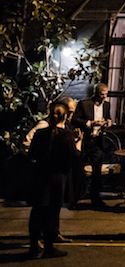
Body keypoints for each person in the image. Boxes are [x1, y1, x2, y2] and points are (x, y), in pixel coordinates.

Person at [27, 101, 78, 258]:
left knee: (37, 211)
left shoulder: (40, 134)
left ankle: (34, 245)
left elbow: (32, 155)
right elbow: (73, 158)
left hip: (41, 176)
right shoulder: (66, 136)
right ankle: (49, 246)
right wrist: (79, 142)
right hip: (58, 178)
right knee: (52, 211)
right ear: (65, 116)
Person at [72, 83, 112, 207]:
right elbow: (75, 120)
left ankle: (96, 198)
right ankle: (75, 198)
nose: (104, 97)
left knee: (97, 172)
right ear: (96, 93)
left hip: (98, 142)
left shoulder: (106, 105)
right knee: (79, 170)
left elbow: (107, 117)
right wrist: (90, 123)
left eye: (106, 94)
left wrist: (108, 122)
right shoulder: (84, 104)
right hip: (85, 141)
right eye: (101, 94)